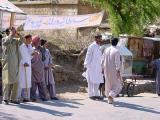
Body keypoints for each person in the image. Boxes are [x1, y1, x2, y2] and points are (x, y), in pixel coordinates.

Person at [2, 27, 23, 104]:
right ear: (8, 32)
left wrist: (18, 33)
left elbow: (21, 41)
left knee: (16, 81)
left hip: (15, 64)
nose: (13, 33)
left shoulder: (15, 40)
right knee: (6, 81)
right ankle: (5, 98)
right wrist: (11, 34)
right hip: (7, 64)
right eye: (11, 32)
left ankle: (13, 98)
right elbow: (6, 43)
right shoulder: (4, 39)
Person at [101, 37, 122, 104]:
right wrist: (118, 71)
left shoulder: (106, 50)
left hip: (106, 69)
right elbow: (117, 63)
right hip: (113, 70)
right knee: (117, 85)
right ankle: (111, 96)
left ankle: (109, 99)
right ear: (117, 43)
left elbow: (102, 60)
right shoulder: (116, 51)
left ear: (110, 42)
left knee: (108, 84)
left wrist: (101, 68)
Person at [84, 34, 104, 100]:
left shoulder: (99, 47)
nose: (100, 40)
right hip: (91, 66)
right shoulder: (92, 46)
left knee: (97, 80)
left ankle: (96, 94)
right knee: (91, 81)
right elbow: (88, 55)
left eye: (101, 39)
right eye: (99, 39)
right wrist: (86, 64)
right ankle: (91, 95)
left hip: (98, 67)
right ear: (96, 39)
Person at [30, 35, 47, 102]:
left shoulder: (41, 49)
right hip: (34, 68)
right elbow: (31, 59)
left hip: (40, 68)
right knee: (33, 84)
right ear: (35, 42)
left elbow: (43, 58)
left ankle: (43, 96)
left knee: (41, 83)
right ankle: (33, 97)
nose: (40, 42)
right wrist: (33, 66)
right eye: (38, 41)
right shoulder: (32, 49)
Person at [19, 34, 34, 102]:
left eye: (31, 39)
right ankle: (18, 97)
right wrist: (23, 62)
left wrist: (33, 54)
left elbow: (30, 56)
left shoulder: (30, 46)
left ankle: (26, 98)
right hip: (22, 66)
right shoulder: (21, 46)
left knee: (27, 81)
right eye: (29, 39)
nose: (31, 41)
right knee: (21, 81)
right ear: (26, 39)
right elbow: (19, 56)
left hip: (28, 66)